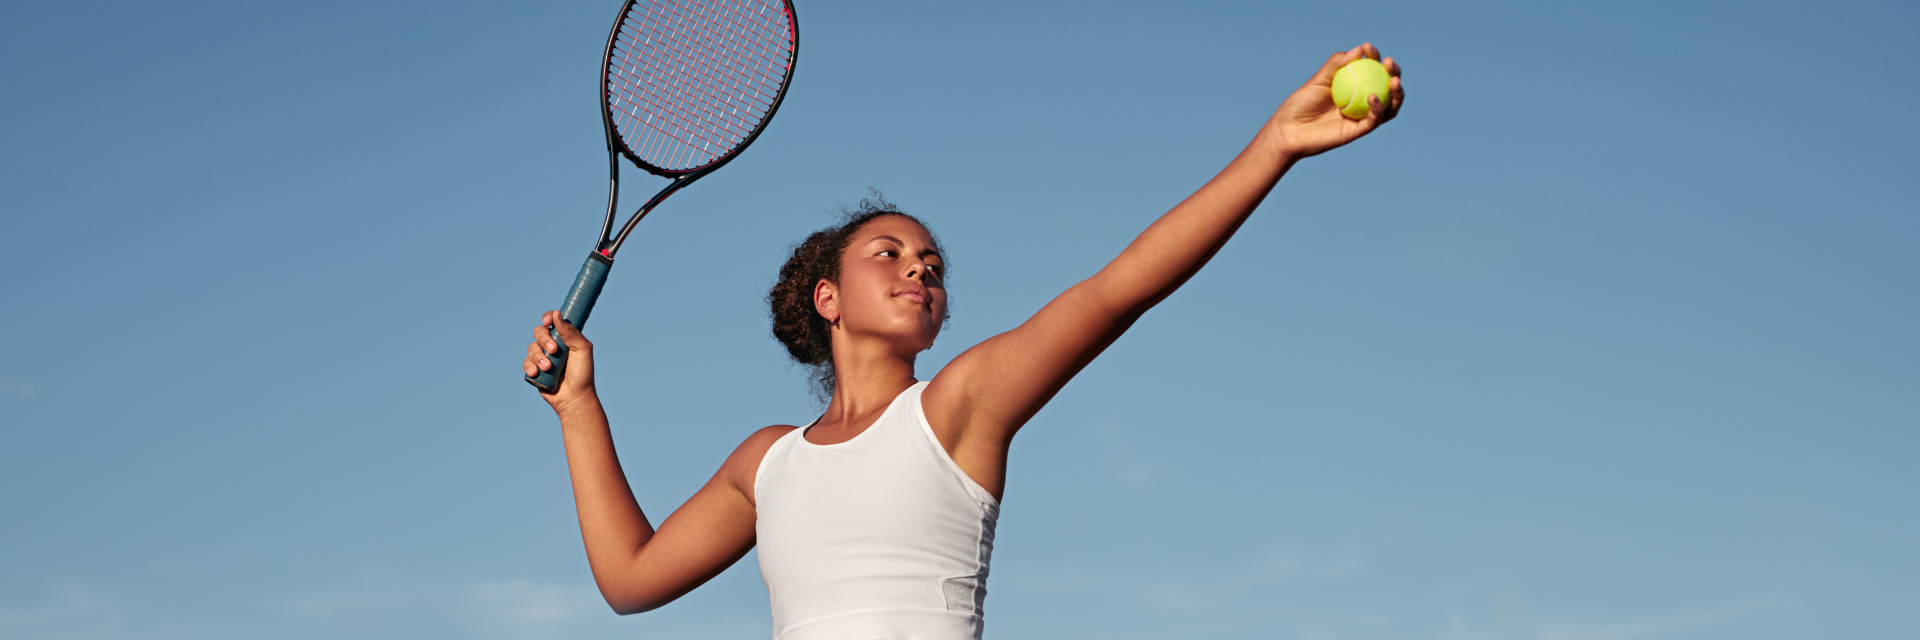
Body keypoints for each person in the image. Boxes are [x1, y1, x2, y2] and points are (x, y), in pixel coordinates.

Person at [522, 43, 1403, 640]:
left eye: (933, 265)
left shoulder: (958, 406)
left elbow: (1121, 285)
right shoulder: (766, 464)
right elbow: (630, 579)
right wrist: (578, 406)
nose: (920, 271)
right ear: (827, 297)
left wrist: (1274, 148)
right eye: (891, 253)